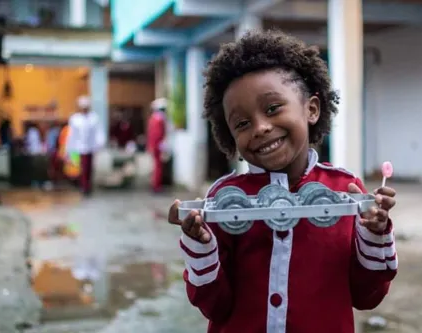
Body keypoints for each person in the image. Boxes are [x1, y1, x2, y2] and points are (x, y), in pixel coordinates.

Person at [167, 30, 398, 333]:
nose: (261, 128)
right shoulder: (224, 197)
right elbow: (214, 305)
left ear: (311, 109)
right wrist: (201, 246)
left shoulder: (346, 190)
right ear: (230, 136)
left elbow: (367, 296)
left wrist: (375, 234)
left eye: (273, 108)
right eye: (242, 123)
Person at [65, 96, 105, 196]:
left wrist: (100, 143)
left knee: (89, 168)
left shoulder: (94, 118)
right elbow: (71, 135)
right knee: (79, 168)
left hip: (90, 148)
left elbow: (98, 132)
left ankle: (87, 186)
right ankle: (83, 186)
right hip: (77, 149)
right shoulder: (75, 119)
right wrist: (69, 150)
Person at [146, 98, 168, 192]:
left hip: (154, 146)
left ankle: (156, 184)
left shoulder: (153, 118)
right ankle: (157, 186)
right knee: (158, 166)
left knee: (156, 166)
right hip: (157, 146)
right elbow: (157, 134)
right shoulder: (159, 119)